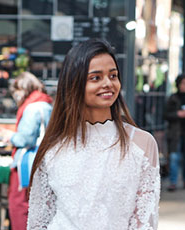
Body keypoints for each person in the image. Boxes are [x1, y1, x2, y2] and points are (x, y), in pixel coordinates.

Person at [27, 39, 160, 229]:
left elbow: (145, 221)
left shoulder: (142, 143)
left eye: (113, 76)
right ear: (74, 84)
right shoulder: (53, 146)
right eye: (95, 78)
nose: (108, 83)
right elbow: (38, 221)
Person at [8, 72, 53, 230]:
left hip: (27, 164)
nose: (15, 95)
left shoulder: (33, 107)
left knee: (20, 207)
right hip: (43, 163)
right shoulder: (46, 104)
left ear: (22, 88)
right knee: (37, 207)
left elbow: (26, 139)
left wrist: (10, 137)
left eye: (16, 91)